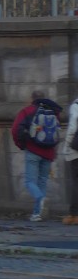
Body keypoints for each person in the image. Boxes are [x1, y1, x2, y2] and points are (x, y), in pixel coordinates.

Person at [11, 90, 64, 222]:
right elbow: (56, 132)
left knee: (30, 181)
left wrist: (21, 144)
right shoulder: (53, 112)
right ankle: (37, 214)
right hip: (49, 152)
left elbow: (15, 129)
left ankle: (40, 199)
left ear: (32, 99)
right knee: (42, 181)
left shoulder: (27, 111)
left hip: (33, 150)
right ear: (44, 98)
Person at [63, 95, 78, 225]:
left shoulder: (76, 106)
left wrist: (66, 146)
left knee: (75, 183)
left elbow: (72, 128)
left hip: (76, 151)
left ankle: (74, 215)